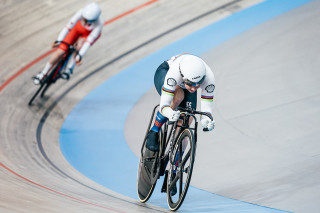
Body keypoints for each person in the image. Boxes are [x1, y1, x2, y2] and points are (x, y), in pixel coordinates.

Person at [146, 53, 216, 152]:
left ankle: (177, 164)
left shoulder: (209, 78)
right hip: (165, 72)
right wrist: (169, 112)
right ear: (183, 77)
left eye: (197, 85)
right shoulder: (173, 74)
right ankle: (154, 130)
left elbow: (206, 106)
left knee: (188, 118)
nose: (193, 88)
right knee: (178, 96)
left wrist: (206, 119)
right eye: (191, 84)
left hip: (183, 83)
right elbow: (164, 104)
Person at [33, 2, 103, 85]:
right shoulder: (81, 12)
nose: (83, 21)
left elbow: (88, 43)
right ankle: (43, 73)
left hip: (87, 35)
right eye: (83, 18)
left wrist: (79, 56)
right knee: (59, 52)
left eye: (86, 21)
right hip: (77, 29)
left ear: (93, 20)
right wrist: (59, 41)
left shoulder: (99, 25)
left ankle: (70, 68)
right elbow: (68, 27)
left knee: (80, 46)